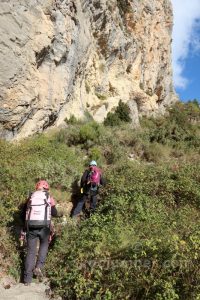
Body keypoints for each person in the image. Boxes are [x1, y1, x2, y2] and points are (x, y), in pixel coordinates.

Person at [22, 180, 62, 285]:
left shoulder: (31, 196)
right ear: (46, 188)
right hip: (44, 227)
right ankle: (39, 267)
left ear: (37, 187)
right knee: (44, 245)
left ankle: (27, 280)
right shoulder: (49, 197)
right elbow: (54, 213)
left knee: (31, 252)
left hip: (31, 227)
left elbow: (24, 213)